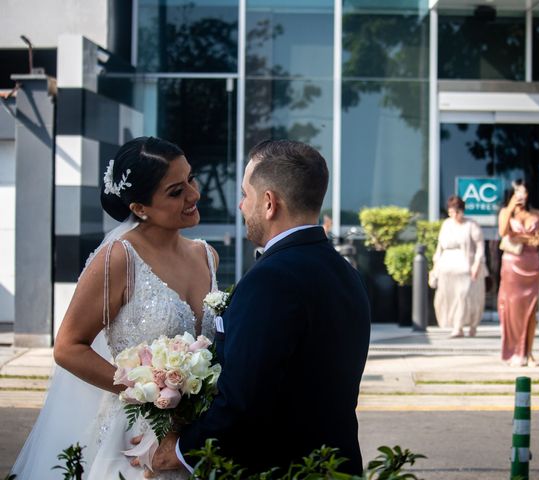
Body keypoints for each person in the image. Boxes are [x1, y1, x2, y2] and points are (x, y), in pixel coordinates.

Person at [146, 140, 371, 476]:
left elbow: (242, 401)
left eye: (245, 194)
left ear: (269, 203)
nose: (240, 205)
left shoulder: (271, 280)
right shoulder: (346, 273)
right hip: (336, 466)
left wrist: (179, 451)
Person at [12, 136, 218, 479]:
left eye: (191, 179)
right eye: (175, 191)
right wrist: (147, 391)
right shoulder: (119, 258)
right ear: (139, 208)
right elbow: (67, 347)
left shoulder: (206, 255)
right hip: (134, 435)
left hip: (196, 438)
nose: (194, 195)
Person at [497, 180, 539, 367]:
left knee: (531, 310)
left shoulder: (537, 214)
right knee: (511, 309)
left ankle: (529, 352)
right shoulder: (505, 213)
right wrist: (510, 208)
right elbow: (503, 231)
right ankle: (513, 350)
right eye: (518, 193)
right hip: (511, 265)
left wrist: (519, 237)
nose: (521, 197)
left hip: (532, 265)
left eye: (524, 193)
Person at [431, 195, 486, 338]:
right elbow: (439, 248)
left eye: (456, 212)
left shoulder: (471, 225)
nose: (453, 215)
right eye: (451, 212)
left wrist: (476, 264)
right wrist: (435, 266)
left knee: (464, 296)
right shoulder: (446, 225)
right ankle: (456, 326)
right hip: (447, 268)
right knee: (449, 297)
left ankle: (460, 326)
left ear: (461, 211)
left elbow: (480, 246)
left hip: (465, 268)